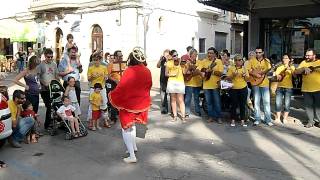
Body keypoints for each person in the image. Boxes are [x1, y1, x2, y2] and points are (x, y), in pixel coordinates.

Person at [109, 47, 152, 163]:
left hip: (129, 104)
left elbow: (122, 87)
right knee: (132, 126)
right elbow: (149, 86)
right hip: (141, 103)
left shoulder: (129, 70)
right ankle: (133, 147)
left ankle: (132, 156)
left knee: (126, 129)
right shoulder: (147, 70)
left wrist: (112, 94)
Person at [247, 47, 273, 126]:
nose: (258, 54)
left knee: (266, 102)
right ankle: (257, 119)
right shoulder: (252, 61)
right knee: (256, 102)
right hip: (255, 83)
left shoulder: (267, 61)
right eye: (256, 52)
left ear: (263, 53)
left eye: (259, 52)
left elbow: (270, 72)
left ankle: (268, 119)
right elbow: (249, 70)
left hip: (265, 83)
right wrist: (256, 74)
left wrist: (269, 72)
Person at [294, 49, 320, 128]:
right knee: (308, 107)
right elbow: (295, 72)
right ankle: (310, 121)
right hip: (306, 89)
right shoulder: (303, 62)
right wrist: (303, 68)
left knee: (318, 107)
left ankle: (318, 121)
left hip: (318, 88)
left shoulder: (319, 62)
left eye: (309, 55)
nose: (306, 57)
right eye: (306, 55)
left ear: (314, 55)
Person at [198, 47, 223, 123]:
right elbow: (199, 70)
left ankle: (219, 117)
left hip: (215, 85)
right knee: (208, 102)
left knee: (217, 102)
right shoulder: (204, 61)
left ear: (215, 54)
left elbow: (220, 73)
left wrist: (212, 72)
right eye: (208, 53)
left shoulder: (218, 61)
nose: (209, 54)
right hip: (206, 85)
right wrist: (202, 73)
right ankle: (211, 116)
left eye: (211, 53)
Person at [37, 48, 60, 130]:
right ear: (45, 56)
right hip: (45, 89)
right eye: (48, 57)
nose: (50, 58)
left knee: (57, 105)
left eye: (51, 57)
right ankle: (47, 125)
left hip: (53, 88)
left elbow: (56, 75)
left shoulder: (54, 64)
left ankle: (58, 122)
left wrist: (59, 84)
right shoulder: (41, 65)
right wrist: (44, 83)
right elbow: (38, 77)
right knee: (49, 107)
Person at [87, 51, 109, 128]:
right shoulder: (90, 68)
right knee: (92, 105)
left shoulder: (104, 67)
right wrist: (94, 77)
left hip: (102, 88)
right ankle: (90, 121)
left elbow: (106, 76)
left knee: (104, 104)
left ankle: (105, 120)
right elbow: (89, 79)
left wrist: (106, 77)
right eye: (95, 60)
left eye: (97, 60)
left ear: (100, 60)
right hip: (93, 88)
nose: (96, 62)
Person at [227, 54, 249, 127]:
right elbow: (228, 79)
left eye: (239, 60)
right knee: (234, 104)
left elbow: (247, 80)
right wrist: (233, 75)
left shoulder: (244, 68)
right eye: (236, 60)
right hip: (233, 89)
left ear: (242, 61)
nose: (238, 61)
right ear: (234, 61)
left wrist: (244, 76)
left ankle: (242, 120)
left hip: (243, 88)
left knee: (242, 105)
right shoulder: (231, 68)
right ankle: (233, 120)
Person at [166, 50, 186, 122]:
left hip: (180, 82)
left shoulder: (181, 62)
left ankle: (183, 116)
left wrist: (186, 66)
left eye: (177, 55)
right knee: (173, 100)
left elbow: (184, 72)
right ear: (171, 56)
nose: (176, 57)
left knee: (181, 100)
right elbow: (166, 74)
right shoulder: (169, 63)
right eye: (174, 55)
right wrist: (172, 74)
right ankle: (175, 116)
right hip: (171, 82)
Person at [274, 54, 295, 124]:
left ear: (289, 59)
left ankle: (285, 118)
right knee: (278, 103)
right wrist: (278, 76)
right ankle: (278, 118)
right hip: (279, 87)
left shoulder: (292, 67)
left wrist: (291, 69)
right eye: (283, 58)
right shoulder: (280, 67)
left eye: (286, 58)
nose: (284, 59)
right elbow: (276, 75)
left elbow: (295, 76)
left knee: (287, 103)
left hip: (288, 87)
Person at [107, 50, 127, 123]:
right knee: (113, 101)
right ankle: (113, 118)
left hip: (122, 85)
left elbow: (124, 73)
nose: (121, 57)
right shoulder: (111, 64)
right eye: (119, 56)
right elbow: (108, 76)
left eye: (122, 56)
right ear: (115, 57)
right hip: (113, 84)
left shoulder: (123, 64)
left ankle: (121, 115)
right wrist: (115, 80)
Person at [184, 48, 202, 117]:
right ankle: (187, 112)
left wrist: (193, 70)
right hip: (189, 83)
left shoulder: (199, 62)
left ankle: (197, 111)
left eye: (196, 54)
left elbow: (198, 71)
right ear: (190, 55)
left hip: (197, 83)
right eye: (194, 54)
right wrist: (189, 67)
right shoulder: (187, 62)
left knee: (196, 98)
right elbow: (186, 72)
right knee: (188, 99)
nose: (196, 56)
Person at [157, 49, 170, 114]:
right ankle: (165, 109)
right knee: (163, 95)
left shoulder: (171, 61)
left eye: (168, 55)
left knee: (171, 95)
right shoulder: (162, 60)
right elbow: (158, 66)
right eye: (165, 55)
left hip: (170, 80)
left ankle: (173, 110)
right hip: (162, 80)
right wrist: (160, 59)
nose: (166, 56)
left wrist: (168, 61)